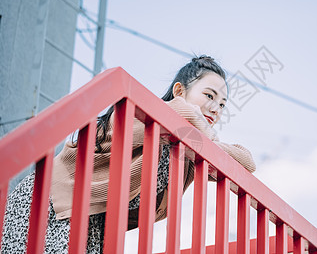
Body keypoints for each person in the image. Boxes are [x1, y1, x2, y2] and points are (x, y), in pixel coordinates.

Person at [1, 56, 256, 253]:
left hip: (91, 224)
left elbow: (246, 162)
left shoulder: (189, 148)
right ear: (179, 91)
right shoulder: (140, 117)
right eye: (209, 96)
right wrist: (202, 132)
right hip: (53, 205)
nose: (215, 108)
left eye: (222, 104)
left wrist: (205, 141)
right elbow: (180, 112)